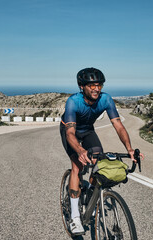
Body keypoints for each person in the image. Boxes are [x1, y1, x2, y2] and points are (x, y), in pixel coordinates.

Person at [60, 67, 143, 235]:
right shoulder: (73, 102)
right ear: (81, 86)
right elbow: (70, 133)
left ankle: (90, 190)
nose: (96, 89)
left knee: (99, 162)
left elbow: (118, 125)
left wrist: (129, 149)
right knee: (77, 166)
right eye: (91, 85)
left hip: (88, 131)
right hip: (70, 132)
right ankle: (75, 217)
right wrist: (80, 150)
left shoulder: (105, 99)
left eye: (99, 85)